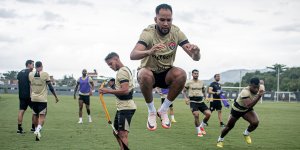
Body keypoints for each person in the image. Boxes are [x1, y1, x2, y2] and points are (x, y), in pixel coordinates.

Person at [130, 3, 201, 131]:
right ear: (155, 19)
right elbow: (133, 54)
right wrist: (149, 51)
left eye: (169, 20)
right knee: (143, 74)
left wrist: (196, 52)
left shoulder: (176, 32)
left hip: (165, 74)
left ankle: (163, 110)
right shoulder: (148, 33)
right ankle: (151, 111)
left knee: (181, 74)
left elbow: (195, 58)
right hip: (149, 73)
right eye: (162, 19)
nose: (165, 23)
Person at [99, 52, 136, 150]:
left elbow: (125, 91)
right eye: (108, 65)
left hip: (126, 108)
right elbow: (122, 89)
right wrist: (113, 86)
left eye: (111, 63)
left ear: (116, 59)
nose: (110, 66)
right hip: (122, 108)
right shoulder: (124, 70)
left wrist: (108, 90)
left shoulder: (122, 72)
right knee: (115, 132)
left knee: (122, 134)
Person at [216, 77, 264, 148]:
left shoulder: (260, 87)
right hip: (237, 110)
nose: (256, 89)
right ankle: (220, 139)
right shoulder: (245, 92)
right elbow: (249, 105)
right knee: (229, 127)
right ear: (250, 85)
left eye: (257, 87)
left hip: (246, 110)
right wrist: (259, 95)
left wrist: (261, 86)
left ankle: (246, 133)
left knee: (255, 122)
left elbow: (262, 85)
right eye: (254, 87)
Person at [29, 61, 59, 141]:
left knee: (35, 115)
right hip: (42, 99)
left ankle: (37, 133)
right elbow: (50, 87)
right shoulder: (45, 74)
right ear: (41, 66)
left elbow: (30, 86)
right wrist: (55, 96)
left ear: (35, 66)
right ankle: (38, 130)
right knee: (42, 116)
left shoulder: (30, 74)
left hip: (33, 98)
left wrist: (30, 96)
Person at [182, 69, 211, 137]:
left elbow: (204, 91)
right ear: (192, 74)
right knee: (196, 115)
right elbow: (183, 91)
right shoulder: (188, 82)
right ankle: (198, 131)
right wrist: (186, 98)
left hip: (201, 101)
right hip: (193, 101)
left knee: (208, 114)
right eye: (195, 73)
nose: (196, 75)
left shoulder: (201, 82)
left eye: (197, 73)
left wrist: (206, 96)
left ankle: (202, 126)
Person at [17, 60, 36, 134]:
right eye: (32, 65)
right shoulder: (30, 73)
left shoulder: (19, 73)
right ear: (28, 64)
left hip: (21, 95)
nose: (33, 66)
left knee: (21, 111)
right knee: (35, 111)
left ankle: (19, 129)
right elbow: (31, 84)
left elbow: (19, 83)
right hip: (29, 96)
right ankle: (33, 128)